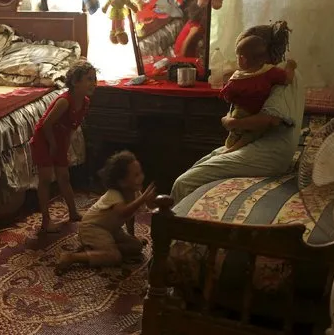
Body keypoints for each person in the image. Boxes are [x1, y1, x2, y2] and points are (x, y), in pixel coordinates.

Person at [170, 21, 305, 204]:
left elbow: (271, 119)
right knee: (200, 165)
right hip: (264, 148)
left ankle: (174, 229)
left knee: (184, 183)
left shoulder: (280, 74)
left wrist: (232, 123)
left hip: (270, 154)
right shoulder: (274, 74)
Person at [57, 151, 156, 273]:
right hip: (92, 228)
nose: (141, 177)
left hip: (111, 229)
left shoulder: (134, 193)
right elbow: (123, 213)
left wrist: (131, 235)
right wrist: (142, 199)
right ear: (122, 182)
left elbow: (131, 216)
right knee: (114, 257)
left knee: (137, 246)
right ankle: (72, 257)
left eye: (140, 173)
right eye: (136, 175)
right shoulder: (114, 194)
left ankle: (97, 249)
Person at [31, 60, 97, 233]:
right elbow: (46, 125)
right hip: (45, 138)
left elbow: (71, 128)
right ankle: (45, 220)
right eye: (89, 79)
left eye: (94, 79)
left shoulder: (85, 102)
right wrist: (52, 145)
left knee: (64, 176)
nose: (94, 83)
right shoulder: (64, 102)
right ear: (75, 82)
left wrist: (64, 148)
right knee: (45, 178)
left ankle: (73, 212)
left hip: (59, 139)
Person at [219, 31, 297, 153]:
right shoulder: (270, 72)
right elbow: (287, 79)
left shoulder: (237, 79)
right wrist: (291, 66)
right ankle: (235, 146)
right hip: (258, 111)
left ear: (242, 59)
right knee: (254, 133)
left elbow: (228, 96)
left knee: (235, 133)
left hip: (240, 113)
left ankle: (231, 148)